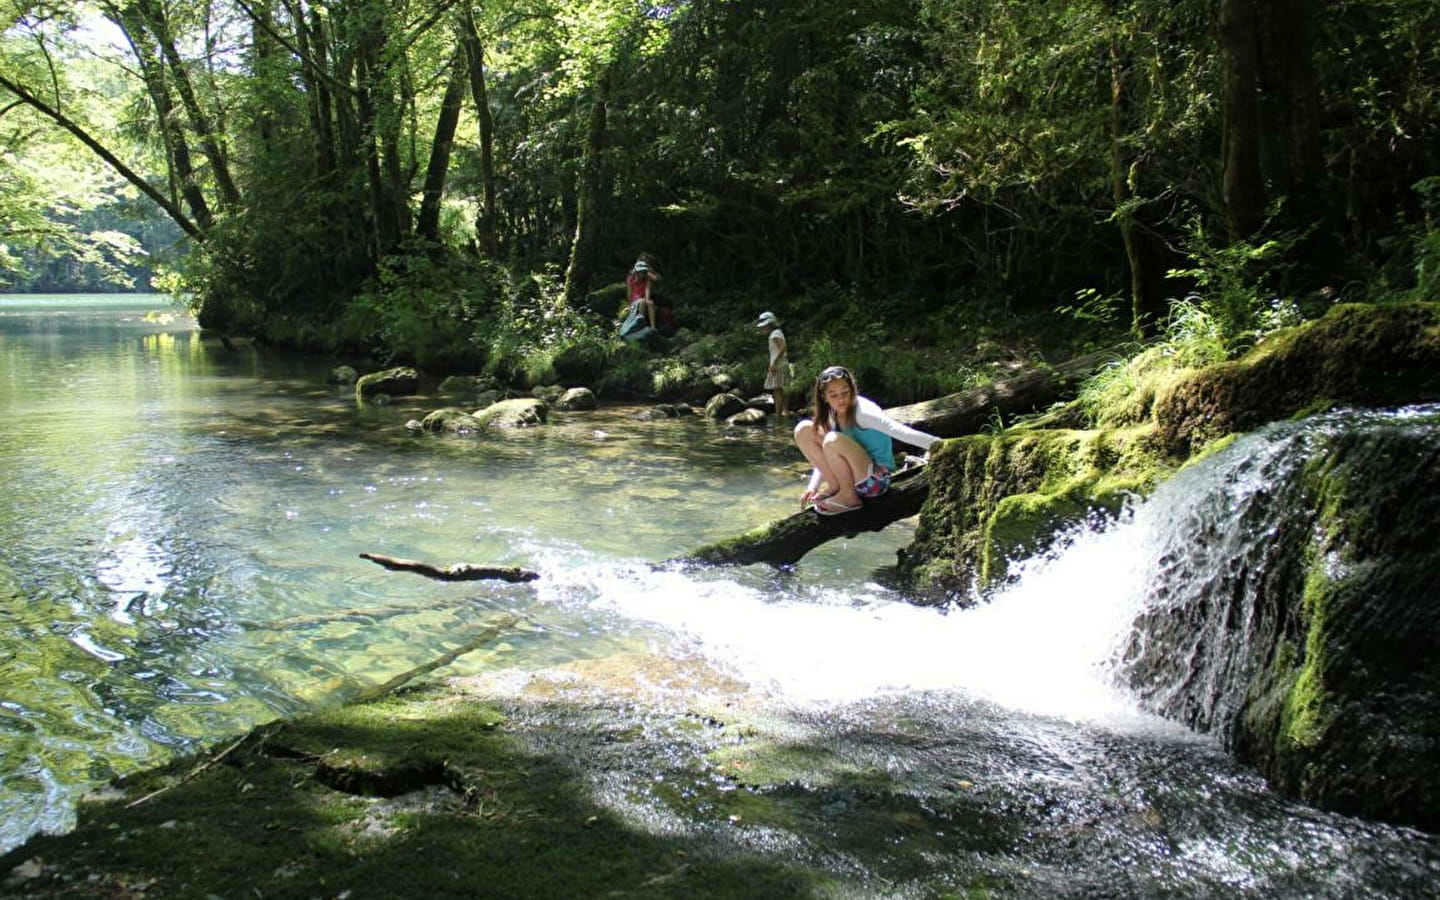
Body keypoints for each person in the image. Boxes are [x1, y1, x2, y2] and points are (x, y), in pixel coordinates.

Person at [793, 365, 941, 515]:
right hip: (850, 477)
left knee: (831, 440)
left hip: (876, 481)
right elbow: (826, 454)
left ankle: (848, 497)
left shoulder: (862, 412)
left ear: (852, 389)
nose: (841, 399)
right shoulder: (832, 413)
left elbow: (899, 431)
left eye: (845, 392)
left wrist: (939, 444)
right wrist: (813, 486)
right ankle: (835, 487)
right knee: (803, 429)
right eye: (834, 395)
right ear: (824, 397)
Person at [756, 311, 789, 418]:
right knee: (780, 390)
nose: (763, 328)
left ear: (770, 325)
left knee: (777, 391)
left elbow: (783, 348)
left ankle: (779, 415)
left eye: (765, 326)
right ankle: (785, 411)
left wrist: (774, 363)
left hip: (778, 365)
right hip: (781, 364)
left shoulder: (775, 334)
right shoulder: (777, 333)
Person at [619, 258, 658, 342]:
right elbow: (629, 293)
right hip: (635, 300)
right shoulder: (631, 279)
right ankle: (640, 324)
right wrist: (629, 306)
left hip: (643, 299)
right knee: (642, 302)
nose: (642, 274)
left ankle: (653, 327)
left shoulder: (647, 279)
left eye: (643, 272)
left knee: (650, 302)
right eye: (640, 272)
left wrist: (647, 300)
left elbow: (647, 290)